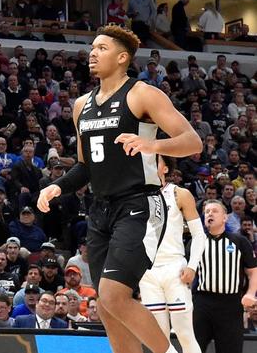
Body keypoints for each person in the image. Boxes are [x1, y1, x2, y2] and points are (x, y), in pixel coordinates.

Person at [38, 25, 202, 353]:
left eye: (101, 48)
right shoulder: (81, 105)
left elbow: (192, 141)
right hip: (100, 209)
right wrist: (56, 187)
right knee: (108, 305)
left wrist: (150, 144)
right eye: (92, 48)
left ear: (122, 57)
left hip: (140, 203)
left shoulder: (142, 93)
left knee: (115, 294)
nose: (92, 54)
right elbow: (85, 167)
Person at [139, 156, 204, 353]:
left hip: (175, 268)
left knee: (185, 334)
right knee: (159, 340)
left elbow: (199, 235)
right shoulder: (135, 197)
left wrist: (192, 266)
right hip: (148, 273)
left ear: (165, 168)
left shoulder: (180, 194)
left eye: (154, 161)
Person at [192, 199, 257, 353]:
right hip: (202, 303)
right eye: (207, 211)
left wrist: (250, 293)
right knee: (193, 349)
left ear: (225, 217)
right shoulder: (195, 243)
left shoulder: (240, 241)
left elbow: (253, 272)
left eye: (214, 211)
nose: (210, 214)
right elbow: (189, 275)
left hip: (230, 304)